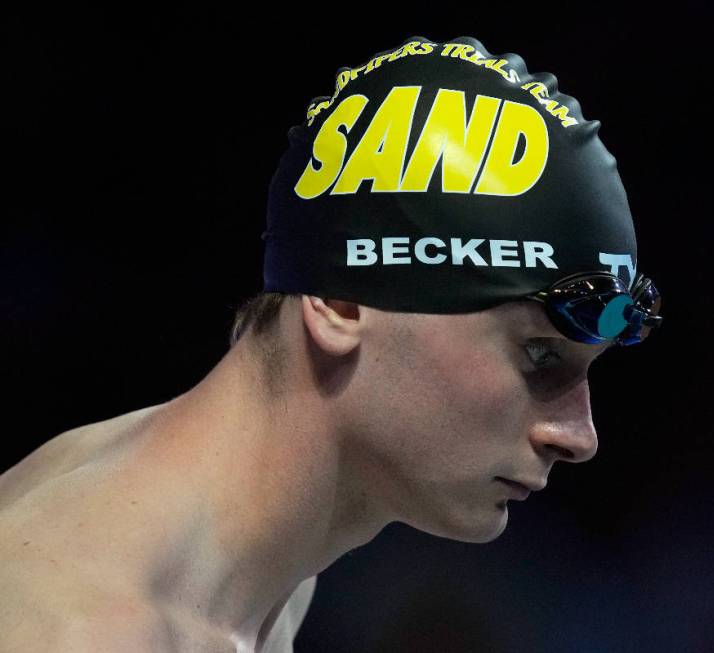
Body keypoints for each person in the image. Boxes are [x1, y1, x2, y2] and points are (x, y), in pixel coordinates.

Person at [0, 35, 663, 652]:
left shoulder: (264, 564)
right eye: (540, 354)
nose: (579, 435)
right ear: (342, 302)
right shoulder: (80, 626)